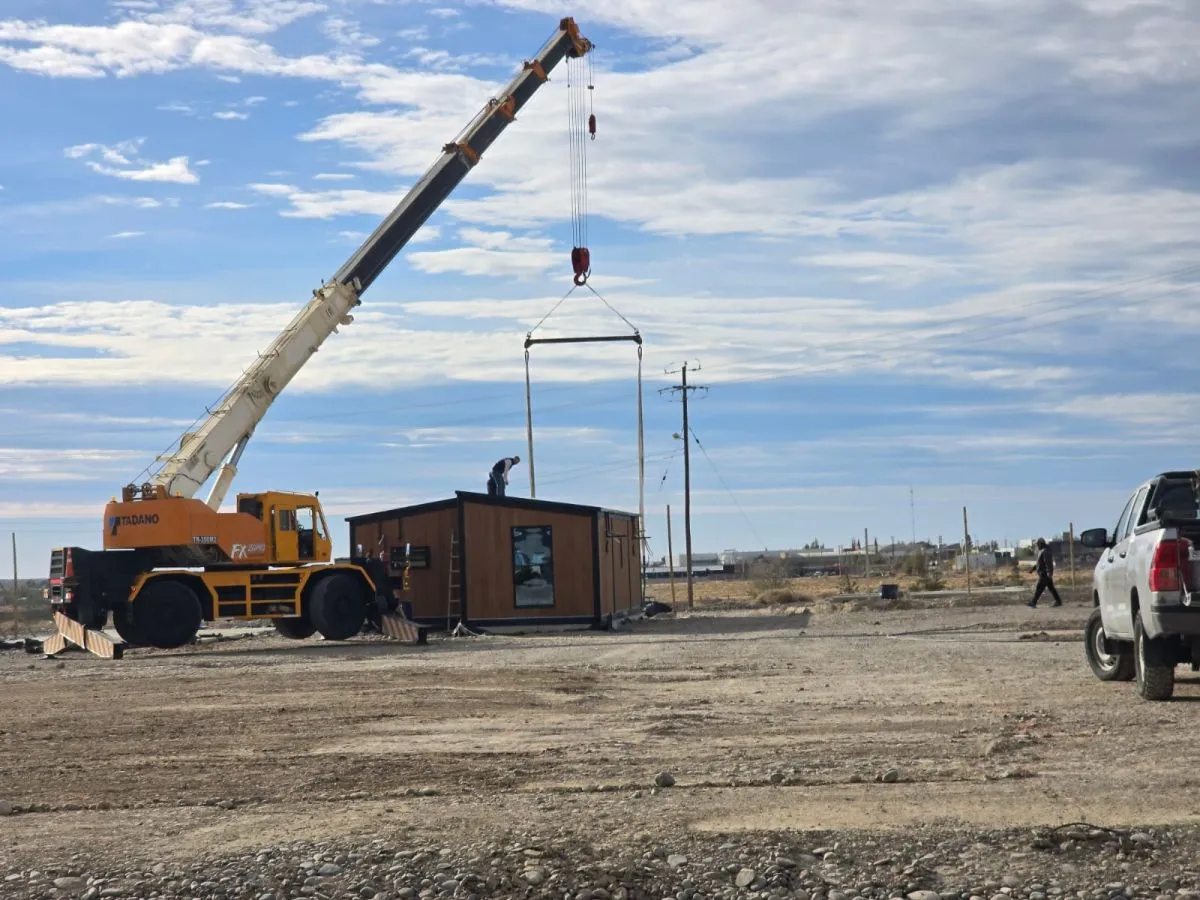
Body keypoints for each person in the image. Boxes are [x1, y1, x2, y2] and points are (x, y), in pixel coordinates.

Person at [1027, 537, 1062, 608]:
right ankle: (1058, 601)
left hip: (1044, 573)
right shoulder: (1042, 551)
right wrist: (1033, 569)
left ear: (1041, 544)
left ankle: (1033, 602)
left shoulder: (1045, 551)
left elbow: (1048, 563)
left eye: (1038, 544)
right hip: (1044, 573)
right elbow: (1039, 563)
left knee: (1039, 588)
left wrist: (1049, 573)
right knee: (1051, 588)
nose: (1037, 546)